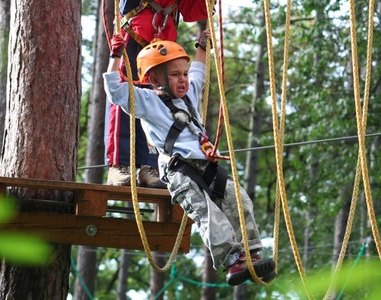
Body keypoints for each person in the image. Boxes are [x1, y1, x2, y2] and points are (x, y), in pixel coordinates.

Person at [104, 33, 276, 286]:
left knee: (239, 201)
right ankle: (232, 260)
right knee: (208, 213)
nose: (183, 79)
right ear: (153, 79)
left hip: (206, 165)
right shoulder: (148, 102)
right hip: (180, 170)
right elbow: (115, 92)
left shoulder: (189, 94)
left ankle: (252, 254)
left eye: (182, 73)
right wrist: (116, 56)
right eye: (174, 75)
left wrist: (202, 46)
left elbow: (198, 71)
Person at [105, 0, 209, 188]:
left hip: (162, 34)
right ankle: (119, 165)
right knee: (125, 95)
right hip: (134, 27)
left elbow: (193, 10)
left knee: (162, 104)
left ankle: (150, 167)